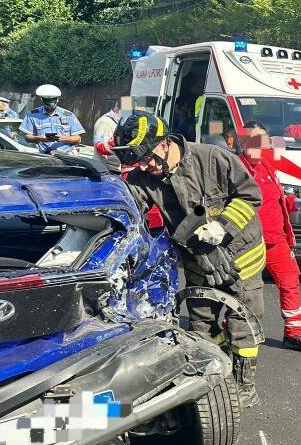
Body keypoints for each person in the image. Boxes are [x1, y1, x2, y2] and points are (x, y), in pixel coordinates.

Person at [112, 111, 267, 407]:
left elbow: (250, 195)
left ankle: (245, 385)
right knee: (201, 325)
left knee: (242, 325)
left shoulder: (212, 159)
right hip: (197, 261)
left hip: (241, 256)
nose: (145, 166)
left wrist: (223, 226)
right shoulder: (143, 176)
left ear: (165, 143)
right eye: (139, 161)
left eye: (147, 157)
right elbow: (130, 207)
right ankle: (218, 375)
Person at [240, 121, 301, 351]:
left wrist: (294, 203)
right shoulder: (235, 168)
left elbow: (276, 200)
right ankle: (236, 330)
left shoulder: (268, 166)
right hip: (249, 243)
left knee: (290, 282)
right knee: (244, 290)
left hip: (277, 241)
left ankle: (294, 334)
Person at [20, 84, 84, 154]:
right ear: (42, 100)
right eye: (47, 105)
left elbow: (78, 139)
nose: (50, 107)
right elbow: (27, 137)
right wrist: (40, 138)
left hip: (66, 154)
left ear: (57, 100)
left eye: (52, 105)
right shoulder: (32, 115)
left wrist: (63, 138)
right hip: (44, 155)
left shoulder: (68, 115)